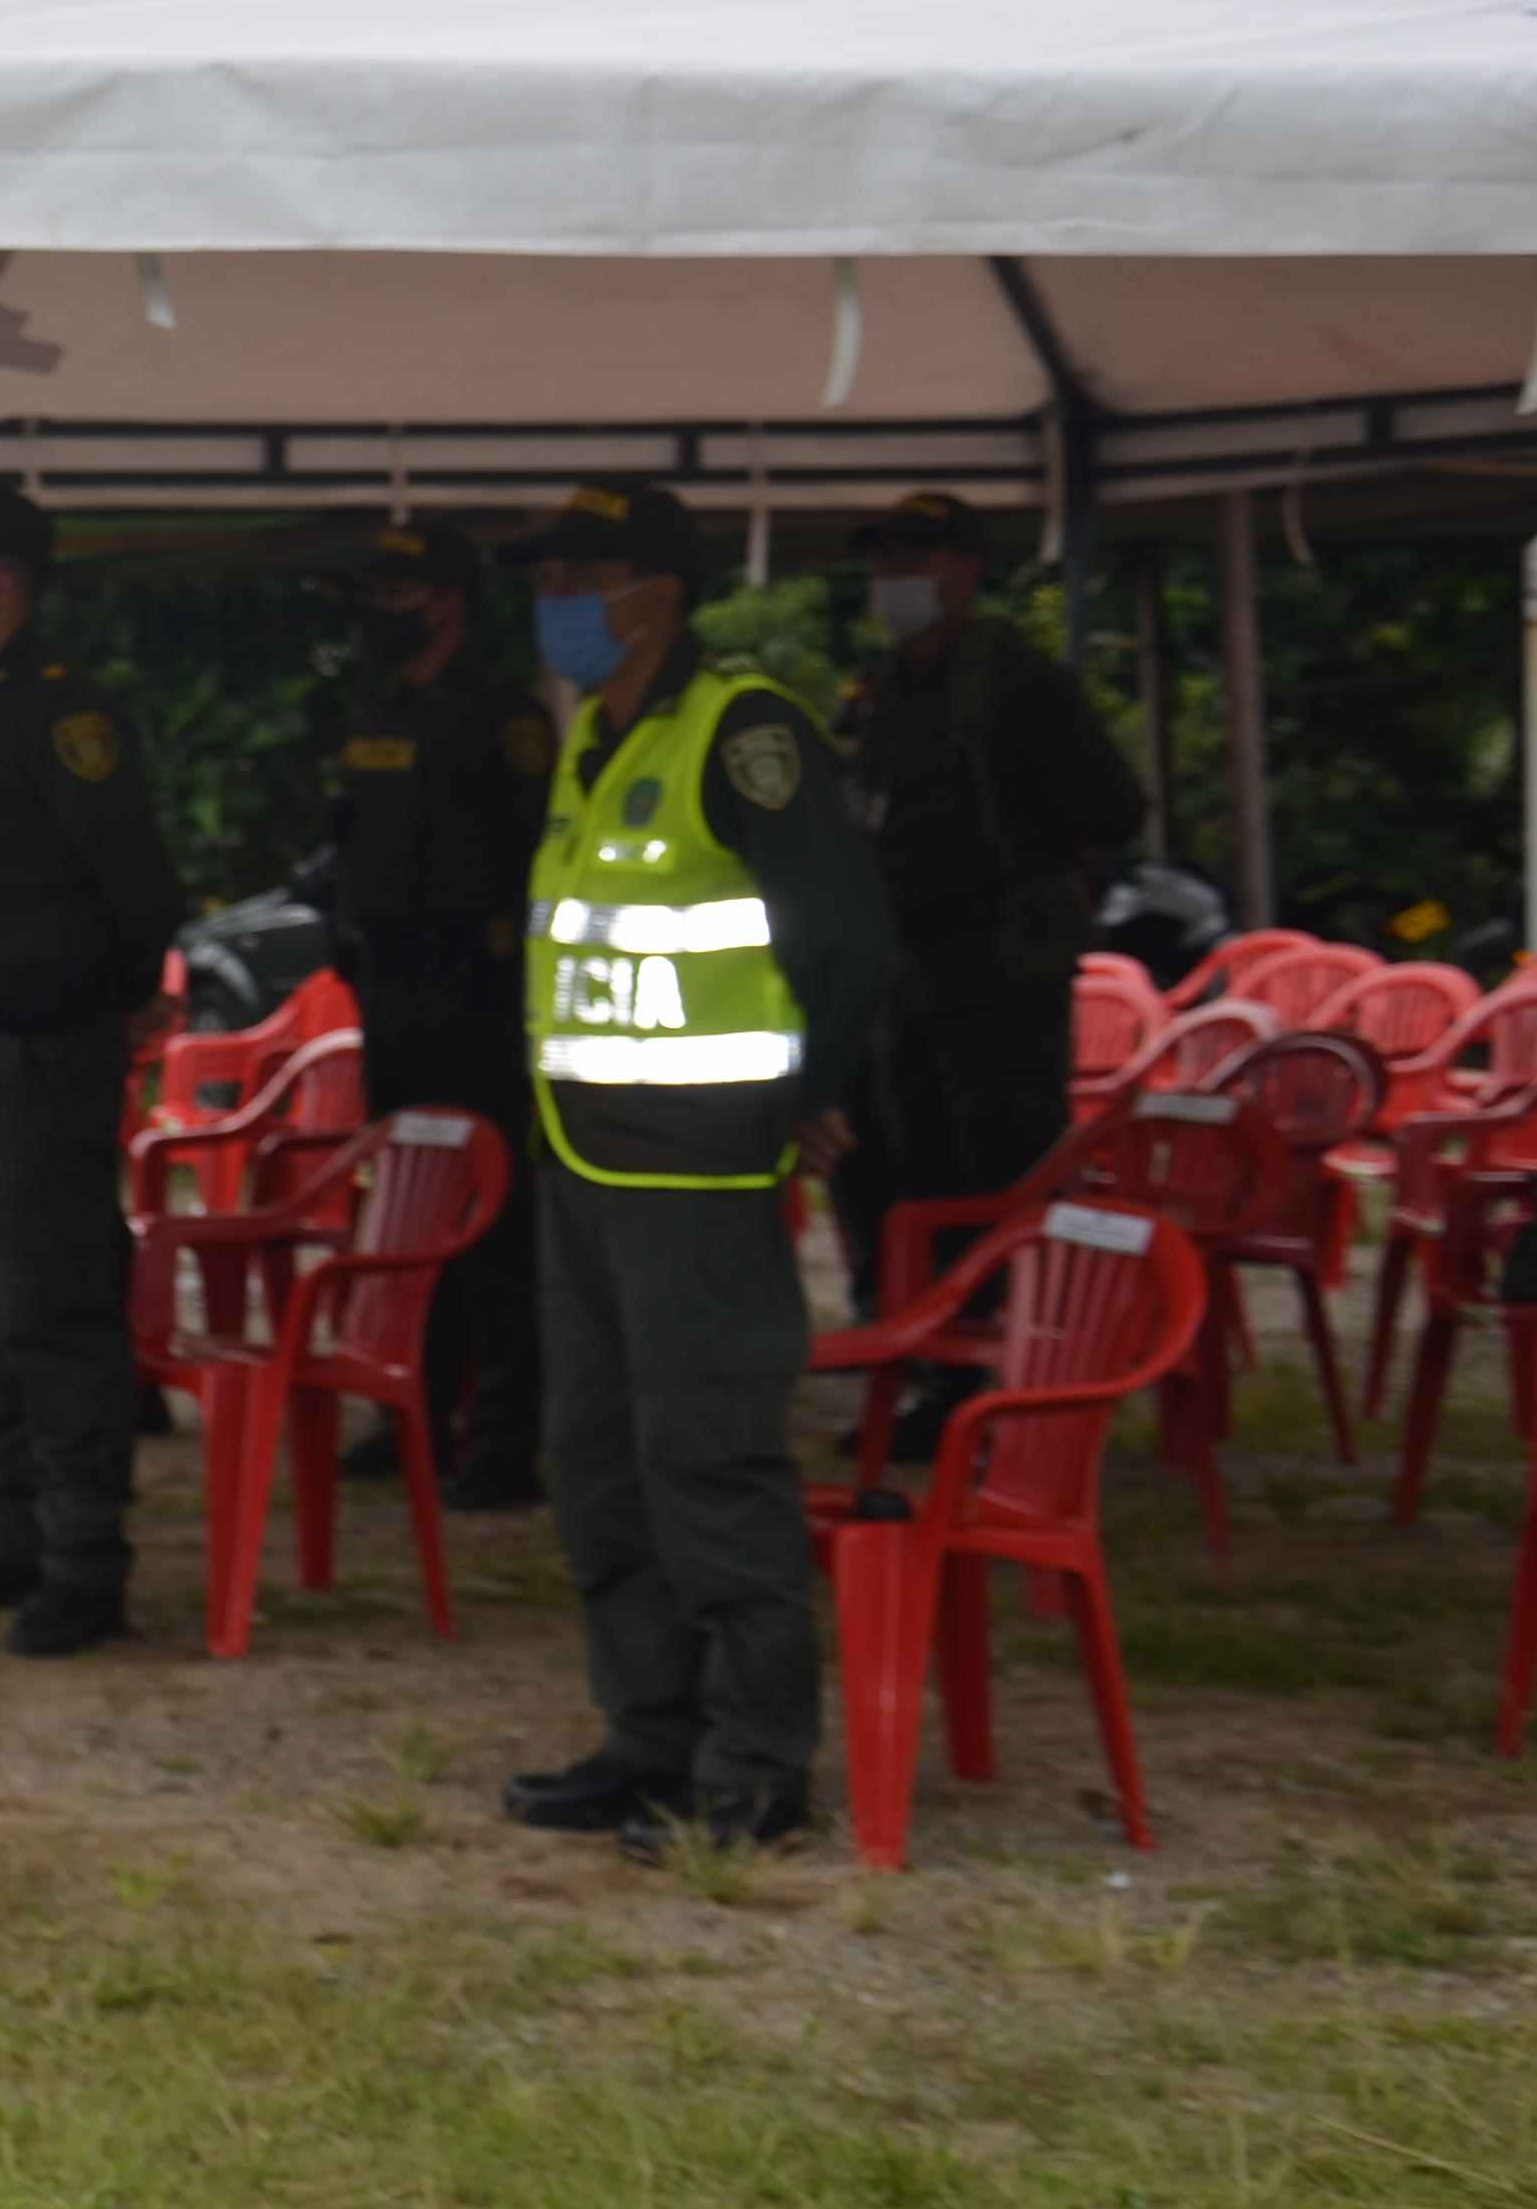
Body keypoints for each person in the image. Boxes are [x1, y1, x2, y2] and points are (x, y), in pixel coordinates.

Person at [491, 480, 889, 1860]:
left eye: (580, 575)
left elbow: (843, 938)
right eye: (546, 578)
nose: (557, 603)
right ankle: (648, 1740)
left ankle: (756, 1768)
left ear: (655, 589)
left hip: (700, 1167)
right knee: (597, 1462)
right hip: (583, 1156)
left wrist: (804, 1091)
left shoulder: (745, 726)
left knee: (706, 1459)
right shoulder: (594, 734)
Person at [0, 482, 186, 1658]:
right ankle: (11, 1530)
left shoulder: (59, 711)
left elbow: (132, 878)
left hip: (33, 1038)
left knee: (54, 1301)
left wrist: (102, 1010)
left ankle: (81, 1558)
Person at [833, 489, 1145, 1450]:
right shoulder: (886, 687)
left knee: (998, 1175)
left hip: (997, 973)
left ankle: (1010, 1381)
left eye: (916, 562)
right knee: (901, 1174)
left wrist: (1025, 872)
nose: (897, 583)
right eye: (885, 563)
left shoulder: (1017, 683)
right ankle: (928, 1367)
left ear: (968, 569)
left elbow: (1113, 806)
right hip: (907, 969)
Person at [322, 520, 554, 1511]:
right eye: (373, 594)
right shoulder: (368, 707)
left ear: (447, 602)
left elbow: (529, 854)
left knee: (493, 1221)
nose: (380, 612)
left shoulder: (502, 714)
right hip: (392, 991)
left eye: (397, 595)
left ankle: (503, 1434)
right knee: (409, 1203)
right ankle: (413, 1403)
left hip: (479, 993)